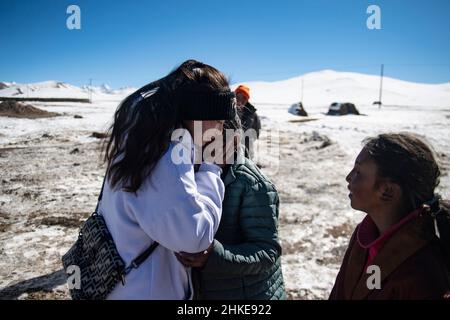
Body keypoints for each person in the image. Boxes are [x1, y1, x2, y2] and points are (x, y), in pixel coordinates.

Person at [99, 59, 237, 299]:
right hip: (145, 290)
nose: (222, 128)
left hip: (128, 284)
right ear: (199, 115)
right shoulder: (167, 158)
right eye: (219, 119)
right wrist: (212, 169)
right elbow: (195, 237)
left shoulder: (141, 141)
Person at [175, 117, 286, 300]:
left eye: (210, 140)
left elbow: (268, 252)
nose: (200, 147)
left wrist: (215, 255)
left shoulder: (251, 183)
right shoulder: (190, 174)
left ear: (230, 141)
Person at [330, 133, 450, 300]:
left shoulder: (421, 268)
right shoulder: (363, 237)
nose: (349, 177)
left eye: (358, 172)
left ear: (388, 191)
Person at [235, 85, 261, 158]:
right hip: (229, 149)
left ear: (247, 100)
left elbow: (257, 130)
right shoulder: (228, 111)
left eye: (244, 97)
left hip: (247, 150)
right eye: (238, 96)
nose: (240, 100)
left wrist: (248, 140)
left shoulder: (252, 114)